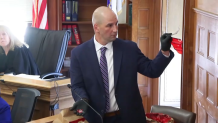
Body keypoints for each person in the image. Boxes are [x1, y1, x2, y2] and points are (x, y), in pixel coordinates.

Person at [70, 6, 174, 123]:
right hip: (98, 119)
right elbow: (77, 86)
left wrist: (164, 51)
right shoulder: (78, 54)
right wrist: (82, 99)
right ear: (96, 27)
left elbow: (152, 70)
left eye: (116, 24)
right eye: (109, 25)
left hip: (130, 117)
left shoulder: (129, 48)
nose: (115, 29)